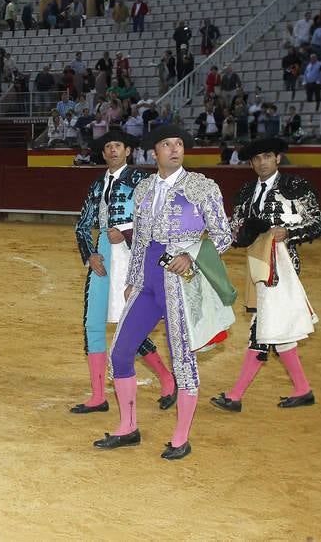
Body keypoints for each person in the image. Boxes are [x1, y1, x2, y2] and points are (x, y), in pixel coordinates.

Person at [93, 125, 234, 460]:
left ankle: (181, 436)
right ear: (153, 153)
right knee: (121, 352)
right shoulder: (142, 189)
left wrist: (192, 256)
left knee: (182, 358)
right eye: (167, 144)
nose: (174, 149)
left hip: (180, 283)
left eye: (179, 144)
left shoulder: (201, 187)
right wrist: (132, 279)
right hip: (148, 283)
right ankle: (128, 427)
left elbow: (223, 236)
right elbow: (140, 240)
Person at [211, 138, 321, 413]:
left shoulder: (295, 187)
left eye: (267, 156)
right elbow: (236, 229)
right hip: (256, 264)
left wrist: (288, 232)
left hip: (284, 265)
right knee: (277, 329)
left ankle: (235, 395)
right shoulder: (246, 192)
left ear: (277, 158)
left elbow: (318, 222)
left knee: (261, 327)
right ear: (251, 163)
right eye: (256, 158)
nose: (262, 162)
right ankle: (303, 389)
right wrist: (236, 236)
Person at [71, 128, 176, 415]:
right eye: (108, 147)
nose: (113, 150)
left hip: (134, 255)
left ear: (128, 151)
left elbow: (159, 219)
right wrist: (89, 254)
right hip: (103, 255)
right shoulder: (96, 185)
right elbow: (82, 225)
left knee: (130, 324)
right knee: (93, 323)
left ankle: (168, 379)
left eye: (118, 145)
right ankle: (97, 396)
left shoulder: (142, 180)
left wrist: (127, 231)